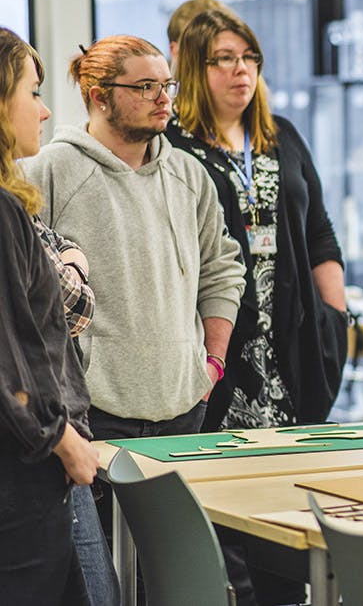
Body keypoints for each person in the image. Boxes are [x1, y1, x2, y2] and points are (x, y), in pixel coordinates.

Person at [22, 34, 246, 448]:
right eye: (146, 87)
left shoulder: (189, 174)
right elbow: (24, 293)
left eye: (167, 86)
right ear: (100, 97)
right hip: (92, 413)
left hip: (184, 406)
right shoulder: (49, 170)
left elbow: (222, 272)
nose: (163, 98)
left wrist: (211, 365)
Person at [169, 8, 349, 433]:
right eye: (225, 58)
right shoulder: (171, 145)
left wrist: (336, 317)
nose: (241, 70)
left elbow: (320, 233)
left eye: (250, 58)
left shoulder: (280, 135)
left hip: (294, 327)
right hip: (216, 336)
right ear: (195, 67)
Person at [0, 27, 100, 605]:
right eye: (31, 92)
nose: (43, 111)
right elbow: (11, 361)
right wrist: (64, 440)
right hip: (22, 471)